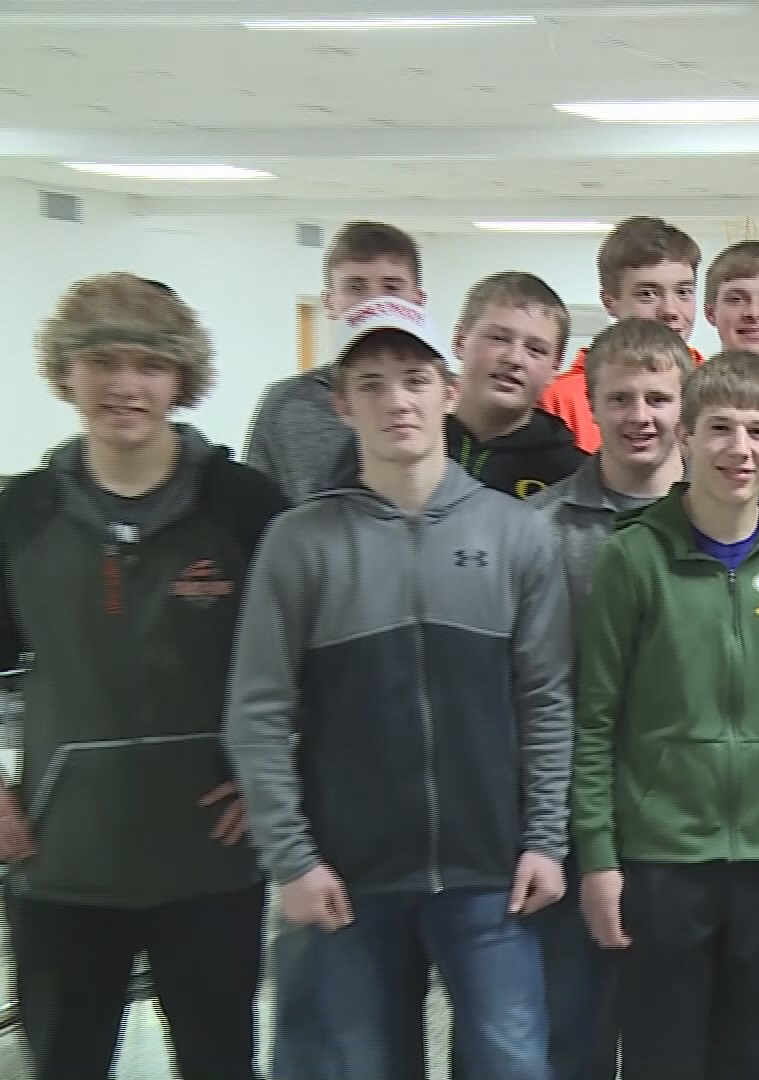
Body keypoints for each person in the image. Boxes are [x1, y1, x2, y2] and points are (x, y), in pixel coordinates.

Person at [224, 297, 572, 1080]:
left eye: (414, 379)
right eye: (371, 383)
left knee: (514, 1063)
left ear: (447, 390)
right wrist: (292, 860)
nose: (396, 401)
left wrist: (546, 839)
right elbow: (256, 711)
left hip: (491, 873)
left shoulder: (516, 535)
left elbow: (547, 701)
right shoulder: (299, 542)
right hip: (346, 879)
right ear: (341, 403)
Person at [0, 274, 284, 1080]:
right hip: (62, 867)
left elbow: (308, 659)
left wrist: (272, 772)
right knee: (66, 1063)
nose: (125, 385)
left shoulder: (243, 505)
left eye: (149, 365)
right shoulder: (22, 514)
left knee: (220, 1062)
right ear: (66, 373)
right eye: (102, 361)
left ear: (180, 379)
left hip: (210, 867)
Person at [572, 353, 759, 1080]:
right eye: (719, 428)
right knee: (664, 1056)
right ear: (685, 438)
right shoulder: (630, 559)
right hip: (661, 860)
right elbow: (595, 718)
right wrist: (599, 859)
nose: (740, 448)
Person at [527, 317, 692, 1080]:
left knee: (673, 1039)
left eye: (659, 397)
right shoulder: (538, 532)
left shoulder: (724, 524)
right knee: (575, 1037)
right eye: (619, 398)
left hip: (687, 830)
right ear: (587, 404)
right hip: (574, 825)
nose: (641, 416)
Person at [245, 221, 424, 501]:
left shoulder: (445, 402)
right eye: (356, 287)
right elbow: (256, 512)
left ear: (417, 301)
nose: (373, 303)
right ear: (329, 302)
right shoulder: (286, 404)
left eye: (391, 287)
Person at [540, 216, 706, 452]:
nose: (670, 310)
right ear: (610, 302)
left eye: (683, 291)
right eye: (648, 294)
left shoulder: (717, 391)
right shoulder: (561, 399)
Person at [447, 272, 585, 499]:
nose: (514, 358)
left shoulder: (575, 478)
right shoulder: (411, 450)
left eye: (536, 350)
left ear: (555, 368)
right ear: (461, 340)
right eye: (499, 338)